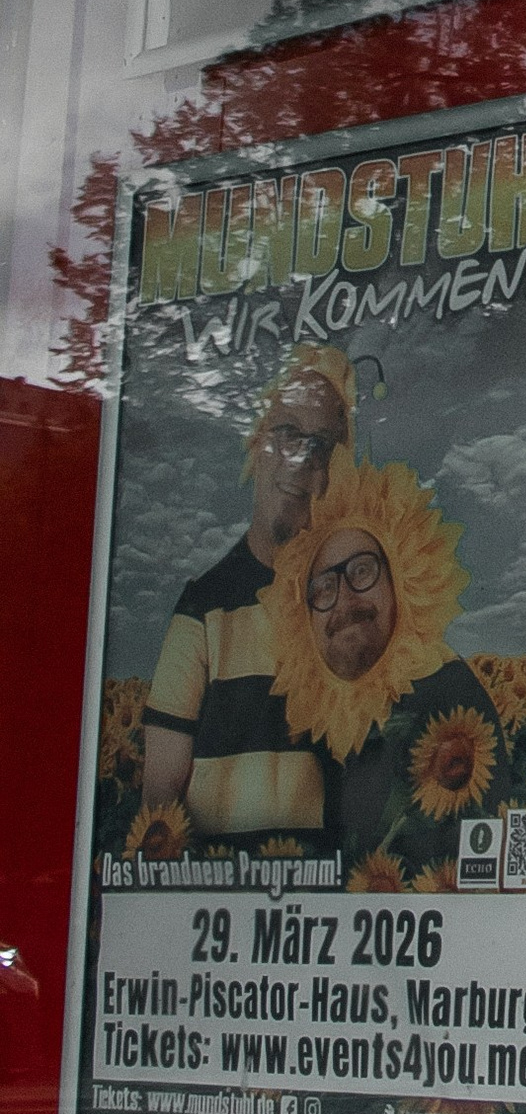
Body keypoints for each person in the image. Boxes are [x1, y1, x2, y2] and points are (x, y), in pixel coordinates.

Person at [137, 348, 354, 846]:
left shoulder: (352, 605)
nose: (302, 461)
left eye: (321, 444)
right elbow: (159, 808)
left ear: (332, 471)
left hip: (325, 904)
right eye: (287, 433)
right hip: (219, 905)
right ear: (257, 445)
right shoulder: (203, 608)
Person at [263, 449, 505, 876]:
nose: (344, 600)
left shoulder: (452, 700)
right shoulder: (297, 723)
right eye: (323, 587)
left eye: (361, 570)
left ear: (401, 582)